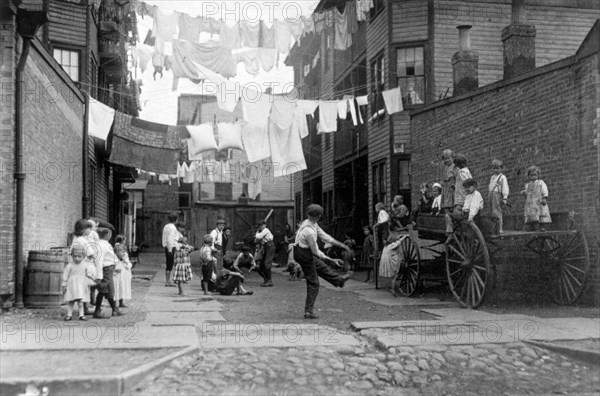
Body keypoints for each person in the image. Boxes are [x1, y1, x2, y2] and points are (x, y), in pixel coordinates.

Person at [293, 204, 352, 319]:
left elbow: (325, 237)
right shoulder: (309, 231)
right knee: (314, 282)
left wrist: (341, 245)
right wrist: (331, 259)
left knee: (320, 266)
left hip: (302, 251)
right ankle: (308, 311)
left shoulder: (310, 223)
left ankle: (339, 281)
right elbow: (316, 251)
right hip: (303, 254)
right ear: (319, 216)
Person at [93, 228, 124, 318]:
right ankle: (98, 311)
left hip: (109, 269)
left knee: (108, 290)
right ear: (107, 235)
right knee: (104, 289)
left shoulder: (105, 244)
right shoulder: (101, 245)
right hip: (106, 269)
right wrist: (99, 275)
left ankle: (114, 309)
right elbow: (99, 260)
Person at [62, 244, 95, 321]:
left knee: (80, 301)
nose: (77, 258)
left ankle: (81, 315)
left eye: (79, 256)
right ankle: (69, 315)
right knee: (71, 301)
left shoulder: (85, 265)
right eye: (75, 256)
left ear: (83, 256)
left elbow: (89, 273)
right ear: (72, 256)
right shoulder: (70, 265)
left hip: (81, 285)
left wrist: (93, 278)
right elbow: (65, 275)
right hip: (72, 285)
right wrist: (64, 284)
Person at [521, 165, 551, 231]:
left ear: (538, 175)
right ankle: (534, 227)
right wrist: (524, 193)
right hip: (531, 203)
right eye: (531, 175)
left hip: (539, 201)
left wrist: (544, 198)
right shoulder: (528, 185)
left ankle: (542, 227)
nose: (533, 177)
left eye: (535, 175)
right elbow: (527, 193)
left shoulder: (541, 183)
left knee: (541, 213)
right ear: (529, 176)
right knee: (532, 215)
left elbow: (544, 190)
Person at [488, 159, 510, 234]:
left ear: (501, 168)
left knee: (497, 211)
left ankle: (500, 228)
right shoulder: (492, 177)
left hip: (497, 195)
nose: (496, 170)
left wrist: (505, 197)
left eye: (497, 168)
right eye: (494, 168)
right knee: (492, 212)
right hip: (491, 194)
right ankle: (494, 228)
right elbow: (490, 187)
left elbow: (505, 187)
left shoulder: (502, 177)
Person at [162, 212, 181, 287]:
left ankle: (168, 280)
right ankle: (168, 281)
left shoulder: (166, 226)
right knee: (170, 264)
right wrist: (170, 249)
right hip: (171, 247)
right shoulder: (173, 228)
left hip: (167, 246)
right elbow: (170, 239)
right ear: (176, 220)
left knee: (168, 263)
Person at [113, 235, 132, 308]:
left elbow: (127, 261)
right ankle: (115, 303)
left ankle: (121, 302)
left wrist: (127, 264)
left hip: (123, 271)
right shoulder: (117, 249)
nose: (123, 252)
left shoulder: (122, 249)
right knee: (117, 287)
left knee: (122, 286)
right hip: (118, 271)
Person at [255, 220, 275, 287]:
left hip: (270, 246)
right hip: (265, 247)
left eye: (262, 225)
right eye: (260, 226)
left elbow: (258, 237)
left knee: (267, 263)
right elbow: (256, 240)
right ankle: (266, 280)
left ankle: (269, 281)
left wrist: (257, 232)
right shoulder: (262, 231)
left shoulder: (266, 230)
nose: (261, 227)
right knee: (261, 265)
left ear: (265, 225)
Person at [441, 149, 456, 214]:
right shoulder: (445, 168)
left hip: (451, 187)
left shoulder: (454, 167)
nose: (447, 160)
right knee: (446, 205)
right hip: (446, 188)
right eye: (445, 159)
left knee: (451, 203)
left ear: (452, 158)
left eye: (448, 158)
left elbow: (456, 177)